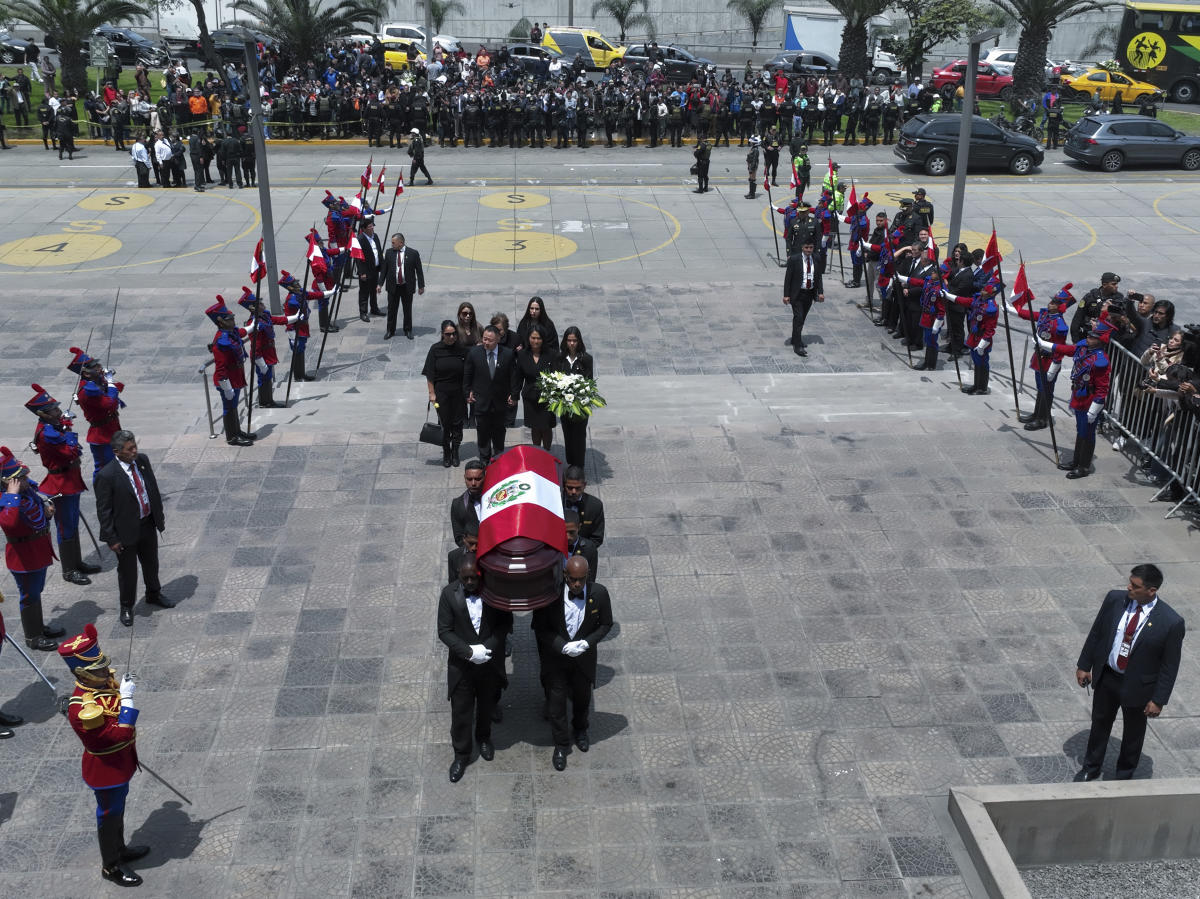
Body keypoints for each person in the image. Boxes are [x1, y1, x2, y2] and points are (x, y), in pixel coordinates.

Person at [57, 623, 150, 886]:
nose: (105, 671)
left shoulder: (98, 684)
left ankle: (120, 850)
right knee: (109, 816)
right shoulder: (81, 710)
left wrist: (121, 691)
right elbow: (119, 735)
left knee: (118, 811)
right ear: (81, 673)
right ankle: (111, 866)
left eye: (102, 666)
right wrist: (127, 700)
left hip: (121, 762)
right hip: (106, 771)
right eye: (96, 669)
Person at [1074, 564, 1185, 781]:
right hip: (1108, 677)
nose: (1128, 588)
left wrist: (1158, 700)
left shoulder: (1171, 622)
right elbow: (1097, 632)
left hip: (1138, 687)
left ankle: (1124, 775)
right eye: (1130, 582)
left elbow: (1170, 666)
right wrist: (1084, 664)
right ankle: (1091, 767)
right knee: (1099, 723)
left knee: (1133, 734)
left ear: (1151, 591)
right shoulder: (1115, 600)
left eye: (1135, 586)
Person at [532, 555, 613, 771]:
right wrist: (560, 645)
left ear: (588, 576)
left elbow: (606, 624)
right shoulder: (550, 595)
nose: (577, 584)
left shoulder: (599, 594)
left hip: (583, 661)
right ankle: (561, 745)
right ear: (565, 575)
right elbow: (540, 627)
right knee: (556, 705)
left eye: (581, 579)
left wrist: (587, 643)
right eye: (573, 579)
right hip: (556, 661)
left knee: (582, 699)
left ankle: (580, 730)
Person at [438, 553, 511, 783]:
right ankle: (461, 755)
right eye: (465, 578)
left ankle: (484, 738)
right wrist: (469, 652)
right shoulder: (448, 595)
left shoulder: (495, 592)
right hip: (462, 667)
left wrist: (487, 648)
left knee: (487, 706)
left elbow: (504, 625)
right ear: (458, 575)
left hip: (489, 664)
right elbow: (444, 631)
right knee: (461, 712)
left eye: (474, 577)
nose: (470, 582)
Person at [26, 384, 100, 586]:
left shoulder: (54, 427)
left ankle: (77, 563)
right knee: (65, 527)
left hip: (70, 479)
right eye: (54, 410)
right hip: (60, 483)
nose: (59, 412)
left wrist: (64, 427)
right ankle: (69, 570)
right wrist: (68, 431)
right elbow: (70, 452)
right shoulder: (48, 433)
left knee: (73, 522)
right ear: (44, 414)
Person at [95, 430, 170, 626]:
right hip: (125, 531)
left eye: (135, 446)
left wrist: (158, 516)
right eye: (129, 449)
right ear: (117, 452)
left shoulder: (142, 461)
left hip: (147, 523)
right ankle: (127, 606)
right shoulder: (107, 475)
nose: (134, 451)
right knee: (128, 571)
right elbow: (104, 511)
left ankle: (154, 593)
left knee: (151, 563)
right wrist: (111, 538)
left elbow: (152, 488)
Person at [0, 447, 66, 650]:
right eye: (20, 478)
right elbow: (9, 523)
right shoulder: (6, 501)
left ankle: (38, 626)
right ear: (8, 482)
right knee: (29, 595)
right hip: (24, 556)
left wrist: (47, 512)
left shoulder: (26, 490)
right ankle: (33, 637)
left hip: (38, 549)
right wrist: (11, 495)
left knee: (37, 591)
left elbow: (35, 509)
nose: (25, 479)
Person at [1037, 317, 1114, 479]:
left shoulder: (1101, 361)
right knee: (1081, 430)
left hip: (1089, 400)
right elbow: (1067, 349)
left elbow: (1102, 389)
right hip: (1079, 395)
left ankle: (1084, 466)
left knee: (1088, 432)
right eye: (1089, 335)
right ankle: (1076, 461)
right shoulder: (1084, 348)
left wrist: (1094, 410)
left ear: (1100, 341)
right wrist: (1045, 344)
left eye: (1093, 337)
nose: (1088, 337)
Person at [67, 345, 125, 482]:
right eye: (96, 367)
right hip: (101, 434)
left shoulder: (96, 382)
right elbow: (109, 403)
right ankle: (102, 491)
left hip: (112, 427)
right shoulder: (88, 390)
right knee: (104, 469)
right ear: (87, 373)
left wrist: (107, 381)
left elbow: (119, 388)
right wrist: (110, 384)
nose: (100, 368)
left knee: (118, 464)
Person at [463, 326, 517, 465]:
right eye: (484, 339)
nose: (486, 342)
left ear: (498, 339)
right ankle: (484, 459)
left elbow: (513, 376)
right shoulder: (474, 353)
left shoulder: (508, 354)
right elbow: (467, 374)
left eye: (490, 340)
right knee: (482, 431)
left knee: (499, 431)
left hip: (500, 401)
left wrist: (514, 394)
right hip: (481, 400)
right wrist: (467, 392)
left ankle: (498, 458)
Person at [206, 297, 255, 446]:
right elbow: (221, 368)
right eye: (230, 319)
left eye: (232, 318)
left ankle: (237, 431)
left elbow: (242, 332)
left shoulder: (231, 332)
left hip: (235, 376)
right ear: (221, 321)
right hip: (227, 379)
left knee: (234, 406)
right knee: (229, 407)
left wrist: (254, 324)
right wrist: (227, 388)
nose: (233, 321)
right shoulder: (222, 341)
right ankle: (232, 437)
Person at [240, 287, 297, 409]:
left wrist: (296, 317)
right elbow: (256, 345)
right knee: (264, 378)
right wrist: (260, 362)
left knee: (268, 377)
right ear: (253, 308)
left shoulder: (265, 316)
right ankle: (265, 402)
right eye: (259, 304)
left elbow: (279, 320)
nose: (262, 304)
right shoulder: (254, 324)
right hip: (262, 355)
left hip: (269, 352)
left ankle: (268, 400)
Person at [424, 320, 469, 467]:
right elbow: (429, 374)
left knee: (457, 423)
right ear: (442, 334)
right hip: (441, 393)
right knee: (444, 423)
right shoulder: (435, 349)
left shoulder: (462, 350)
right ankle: (446, 452)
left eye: (454, 334)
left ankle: (455, 450)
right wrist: (431, 393)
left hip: (459, 393)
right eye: (448, 334)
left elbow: (469, 371)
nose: (451, 337)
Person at [512, 324, 558, 451]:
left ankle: (547, 452)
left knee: (546, 426)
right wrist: (514, 395)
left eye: (538, 338)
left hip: (547, 397)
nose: (536, 341)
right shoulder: (522, 354)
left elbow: (557, 376)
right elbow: (518, 377)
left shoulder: (552, 354)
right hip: (530, 396)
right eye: (533, 338)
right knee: (535, 427)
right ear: (528, 338)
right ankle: (537, 452)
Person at [557, 327, 594, 468]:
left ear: (579, 341)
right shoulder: (560, 358)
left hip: (580, 405)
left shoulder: (586, 359)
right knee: (568, 434)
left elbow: (589, 381)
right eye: (569, 340)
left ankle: (579, 465)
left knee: (579, 435)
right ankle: (571, 462)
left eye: (574, 340)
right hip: (565, 405)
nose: (572, 343)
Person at [782, 238, 824, 357]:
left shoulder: (816, 258)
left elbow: (818, 277)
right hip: (797, 294)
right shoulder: (794, 259)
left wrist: (820, 292)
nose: (809, 250)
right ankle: (797, 345)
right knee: (799, 318)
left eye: (811, 248)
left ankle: (795, 338)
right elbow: (788, 278)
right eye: (806, 247)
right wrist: (786, 295)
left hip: (809, 294)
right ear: (802, 247)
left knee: (801, 318)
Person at [382, 232, 425, 340]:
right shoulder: (389, 253)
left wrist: (421, 286)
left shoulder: (413, 253)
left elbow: (419, 271)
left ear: (400, 243)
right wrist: (379, 284)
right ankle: (390, 330)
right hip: (393, 287)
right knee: (392, 310)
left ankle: (408, 330)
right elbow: (384, 270)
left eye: (393, 242)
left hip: (406, 286)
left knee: (407, 309)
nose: (392, 244)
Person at [561, 466, 605, 546]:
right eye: (570, 488)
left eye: (578, 488)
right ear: (564, 485)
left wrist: (581, 550)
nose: (574, 492)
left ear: (584, 485)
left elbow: (597, 538)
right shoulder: (555, 502)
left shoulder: (595, 506)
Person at [450, 459, 486, 548]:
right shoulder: (457, 504)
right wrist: (467, 545)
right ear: (464, 478)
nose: (473, 483)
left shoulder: (496, 498)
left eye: (478, 479)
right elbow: (458, 537)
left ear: (485, 477)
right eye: (469, 479)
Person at [354, 218, 383, 323]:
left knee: (373, 290)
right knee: (364, 292)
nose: (372, 228)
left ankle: (374, 308)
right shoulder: (360, 239)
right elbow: (358, 258)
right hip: (366, 271)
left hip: (375, 269)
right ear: (364, 229)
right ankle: (363, 312)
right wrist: (362, 272)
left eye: (372, 226)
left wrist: (382, 265)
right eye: (370, 227)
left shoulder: (375, 236)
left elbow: (379, 251)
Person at [745, 134, 761, 199]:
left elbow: (754, 160)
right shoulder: (753, 148)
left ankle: (752, 194)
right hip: (750, 165)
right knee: (750, 179)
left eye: (752, 142)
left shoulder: (755, 150)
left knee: (752, 179)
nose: (751, 142)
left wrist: (751, 168)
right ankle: (750, 192)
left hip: (753, 166)